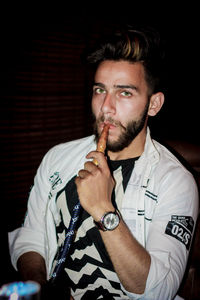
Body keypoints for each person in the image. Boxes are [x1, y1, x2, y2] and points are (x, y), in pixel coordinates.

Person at [8, 26, 199, 300]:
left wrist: (102, 208)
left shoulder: (175, 181)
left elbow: (158, 292)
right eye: (100, 90)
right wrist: (38, 288)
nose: (106, 107)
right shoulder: (57, 158)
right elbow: (32, 237)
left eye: (124, 93)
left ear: (153, 104)